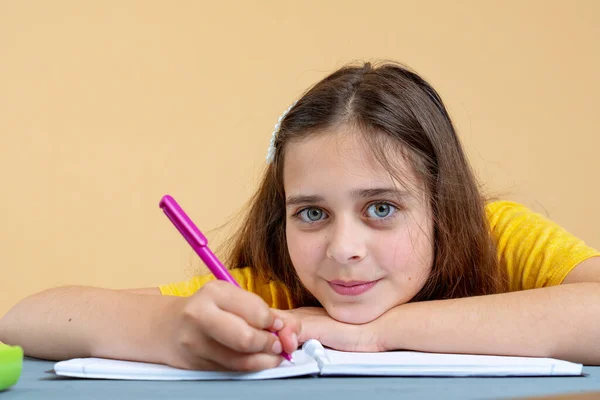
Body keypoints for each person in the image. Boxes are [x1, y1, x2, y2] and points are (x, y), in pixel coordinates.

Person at [1, 61, 599, 371]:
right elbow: (26, 318)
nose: (343, 248)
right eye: (311, 212)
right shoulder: (278, 291)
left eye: (382, 208)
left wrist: (373, 335)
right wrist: (173, 328)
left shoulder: (502, 238)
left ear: (444, 208)